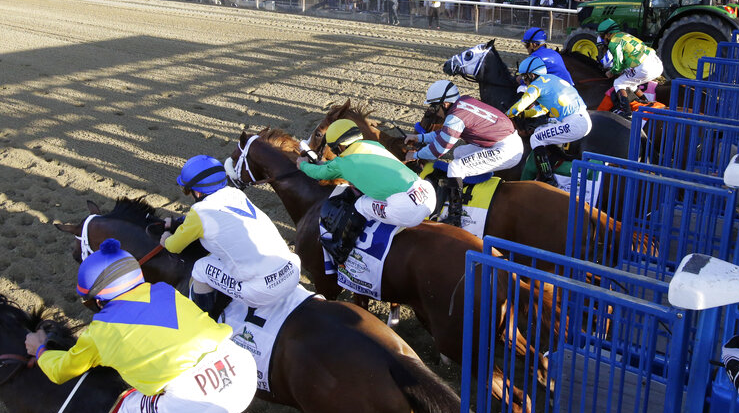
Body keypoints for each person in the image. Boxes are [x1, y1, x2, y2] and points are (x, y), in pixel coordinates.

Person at [24, 239, 255, 413]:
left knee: (128, 412)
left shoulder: (99, 332)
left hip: (191, 403)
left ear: (98, 300)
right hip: (241, 372)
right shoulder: (165, 290)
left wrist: (41, 349)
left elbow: (61, 371)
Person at [161, 155, 301, 314]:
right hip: (292, 270)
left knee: (201, 267)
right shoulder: (236, 194)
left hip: (263, 291)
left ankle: (206, 319)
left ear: (198, 193)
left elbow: (173, 246)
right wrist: (181, 222)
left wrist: (166, 237)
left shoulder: (199, 212)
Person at [298, 119, 435, 260]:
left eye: (334, 149)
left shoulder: (343, 163)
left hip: (407, 210)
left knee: (360, 204)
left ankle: (341, 249)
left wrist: (302, 165)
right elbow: (340, 165)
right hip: (427, 194)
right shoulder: (372, 144)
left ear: (340, 146)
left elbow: (320, 174)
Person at [404, 80, 522, 224]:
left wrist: (415, 155)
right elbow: (444, 132)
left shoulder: (455, 117)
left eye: (434, 107)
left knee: (456, 167)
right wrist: (419, 137)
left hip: (505, 150)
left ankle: (455, 216)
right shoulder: (463, 102)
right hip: (504, 141)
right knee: (459, 152)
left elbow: (439, 150)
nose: (436, 112)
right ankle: (470, 187)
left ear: (445, 104)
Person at [507, 56, 592, 184]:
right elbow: (542, 110)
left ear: (532, 75)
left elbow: (518, 107)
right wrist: (524, 115)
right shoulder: (552, 80)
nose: (525, 81)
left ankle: (547, 177)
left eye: (525, 77)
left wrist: (506, 114)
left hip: (575, 123)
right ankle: (557, 160)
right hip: (583, 119)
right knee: (542, 130)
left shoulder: (536, 85)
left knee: (535, 138)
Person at [597, 18, 664, 117]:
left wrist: (611, 72)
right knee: (631, 84)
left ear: (609, 34)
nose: (604, 39)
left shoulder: (614, 42)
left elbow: (618, 64)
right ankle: (648, 103)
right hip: (657, 64)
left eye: (603, 36)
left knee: (618, 83)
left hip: (645, 67)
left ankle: (626, 112)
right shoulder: (624, 35)